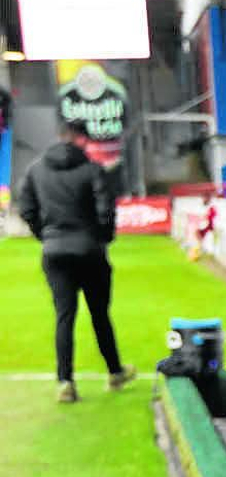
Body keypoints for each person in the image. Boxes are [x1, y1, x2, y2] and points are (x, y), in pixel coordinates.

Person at [18, 119, 134, 403]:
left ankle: (65, 382)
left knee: (64, 316)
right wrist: (102, 238)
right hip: (90, 251)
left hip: (55, 252)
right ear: (81, 139)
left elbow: (27, 209)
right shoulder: (93, 170)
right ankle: (115, 372)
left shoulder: (35, 170)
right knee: (99, 315)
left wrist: (45, 236)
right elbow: (106, 209)